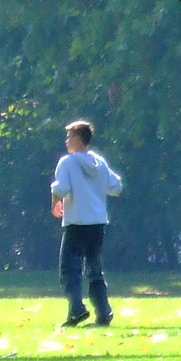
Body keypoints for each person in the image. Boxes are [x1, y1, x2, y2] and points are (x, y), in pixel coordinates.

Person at [51, 119, 123, 328]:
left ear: (79, 138)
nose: (66, 141)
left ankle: (76, 310)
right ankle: (103, 312)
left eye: (69, 136)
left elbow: (61, 187)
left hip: (77, 223)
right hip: (98, 222)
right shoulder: (99, 162)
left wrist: (54, 202)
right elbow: (116, 186)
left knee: (69, 269)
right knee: (94, 269)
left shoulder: (68, 162)